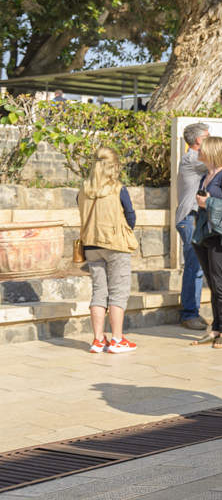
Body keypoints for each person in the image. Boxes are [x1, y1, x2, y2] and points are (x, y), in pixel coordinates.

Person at [175, 115, 222, 331]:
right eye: (207, 137)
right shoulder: (191, 159)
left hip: (203, 222)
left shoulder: (216, 173)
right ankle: (189, 314)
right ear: (198, 142)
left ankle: (215, 325)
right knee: (194, 269)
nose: (209, 140)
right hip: (191, 219)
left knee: (209, 277)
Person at [78, 147, 138, 353]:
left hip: (91, 246)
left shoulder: (84, 189)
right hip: (115, 244)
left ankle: (97, 340)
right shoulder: (118, 189)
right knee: (118, 293)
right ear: (114, 166)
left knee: (99, 292)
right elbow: (130, 216)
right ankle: (117, 340)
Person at [188, 136, 222, 348]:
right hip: (205, 237)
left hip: (220, 237)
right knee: (213, 285)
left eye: (202, 148)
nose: (198, 150)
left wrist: (208, 202)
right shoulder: (207, 176)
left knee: (221, 285)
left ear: (211, 152)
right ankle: (216, 329)